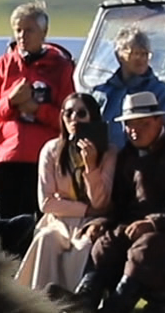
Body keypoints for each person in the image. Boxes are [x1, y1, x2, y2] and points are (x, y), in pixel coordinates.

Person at [63, 92, 165, 313]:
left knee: (146, 248)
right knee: (105, 244)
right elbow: (121, 204)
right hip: (139, 226)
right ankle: (83, 303)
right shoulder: (128, 156)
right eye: (129, 125)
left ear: (159, 122)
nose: (134, 131)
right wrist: (104, 222)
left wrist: (154, 222)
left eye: (142, 124)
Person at [0, 1, 75, 223]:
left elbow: (69, 117)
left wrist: (37, 109)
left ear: (44, 32)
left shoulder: (61, 67)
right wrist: (11, 102)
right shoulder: (3, 65)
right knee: (7, 222)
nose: (22, 35)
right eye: (18, 30)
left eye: (29, 30)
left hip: (44, 157)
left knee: (44, 222)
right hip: (7, 157)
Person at [15, 93, 114, 294]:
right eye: (68, 113)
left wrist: (91, 166)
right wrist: (86, 208)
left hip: (91, 223)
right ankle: (38, 300)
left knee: (84, 247)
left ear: (92, 117)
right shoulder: (51, 150)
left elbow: (101, 202)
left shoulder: (109, 152)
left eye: (81, 113)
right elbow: (47, 202)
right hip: (59, 220)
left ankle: (72, 301)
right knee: (46, 239)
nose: (74, 119)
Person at [92, 26, 165, 149]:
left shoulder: (160, 91)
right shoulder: (102, 93)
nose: (141, 59)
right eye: (136, 54)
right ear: (119, 56)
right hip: (107, 162)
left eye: (145, 54)